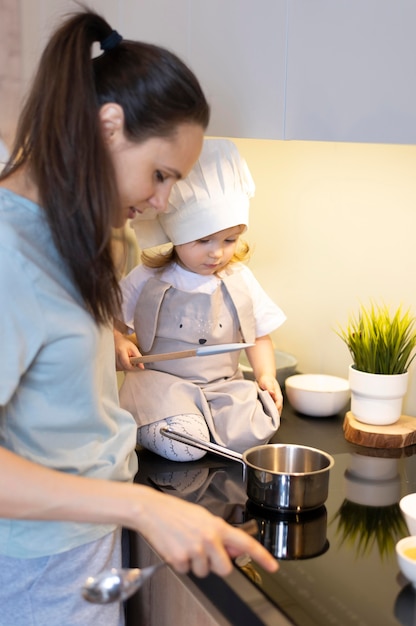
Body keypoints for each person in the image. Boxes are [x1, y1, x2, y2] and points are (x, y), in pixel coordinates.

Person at [0, 10, 278, 626]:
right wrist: (148, 510)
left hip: (88, 540)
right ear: (107, 126)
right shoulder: (7, 254)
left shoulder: (84, 232)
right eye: (159, 175)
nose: (160, 202)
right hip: (36, 566)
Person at [115, 138, 286, 462]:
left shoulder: (240, 279)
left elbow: (260, 336)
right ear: (176, 235)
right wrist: (116, 341)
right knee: (186, 445)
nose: (217, 252)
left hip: (223, 389)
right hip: (163, 388)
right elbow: (108, 323)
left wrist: (265, 375)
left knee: (259, 429)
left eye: (230, 239)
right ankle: (155, 424)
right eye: (203, 240)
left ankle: (209, 428)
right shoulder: (148, 277)